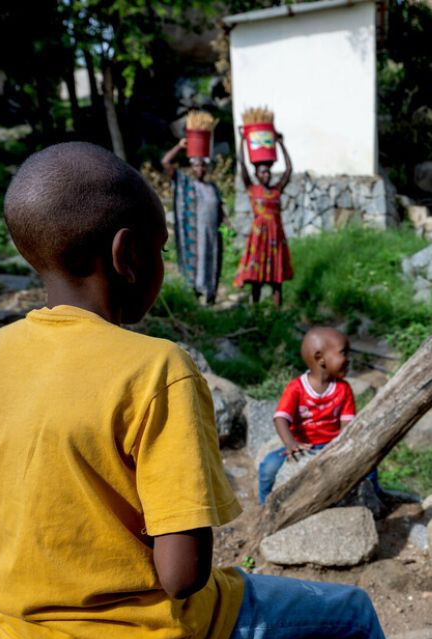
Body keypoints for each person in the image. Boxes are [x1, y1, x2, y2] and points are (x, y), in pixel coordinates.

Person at [0, 142, 412, 639]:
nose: (161, 264)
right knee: (354, 610)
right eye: (161, 250)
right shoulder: (156, 368)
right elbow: (182, 577)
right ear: (125, 256)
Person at [259, 326, 380, 504]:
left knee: (369, 465)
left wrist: (344, 446)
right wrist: (291, 443)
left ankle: (375, 496)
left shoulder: (343, 388)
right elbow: (280, 418)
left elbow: (347, 424)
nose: (349, 359)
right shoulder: (296, 388)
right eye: (344, 353)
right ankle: (264, 504)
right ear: (320, 358)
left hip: (332, 444)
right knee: (269, 466)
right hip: (303, 446)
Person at [161, 137, 229, 304]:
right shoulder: (185, 183)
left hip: (212, 235)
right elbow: (165, 162)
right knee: (195, 264)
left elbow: (220, 209)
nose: (200, 169)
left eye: (203, 165)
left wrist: (227, 225)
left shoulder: (212, 187)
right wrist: (179, 146)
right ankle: (195, 297)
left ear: (207, 167)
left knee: (213, 262)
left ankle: (211, 297)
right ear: (192, 167)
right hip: (193, 237)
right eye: (196, 165)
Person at [233, 131, 293, 306]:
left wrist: (280, 143)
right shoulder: (252, 189)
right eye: (262, 172)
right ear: (257, 174)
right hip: (259, 239)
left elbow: (289, 169)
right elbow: (242, 163)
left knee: (277, 278)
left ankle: (277, 313)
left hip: (275, 237)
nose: (266, 175)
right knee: (256, 277)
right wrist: (243, 141)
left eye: (268, 172)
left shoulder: (276, 190)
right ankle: (256, 311)